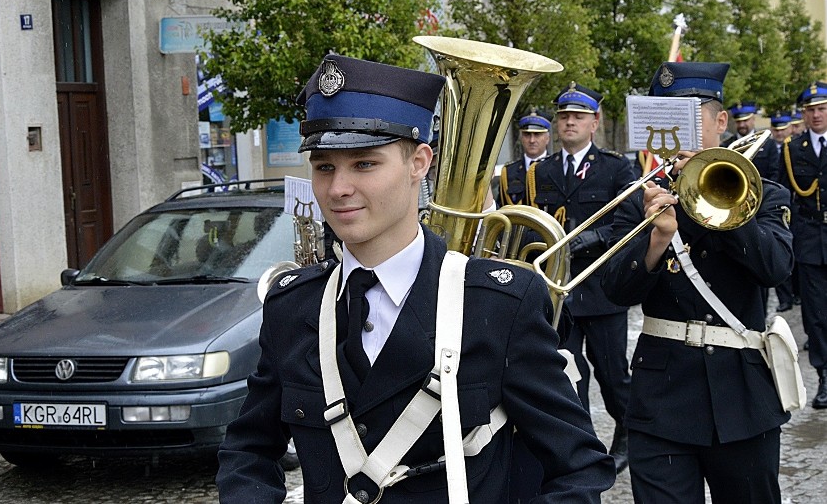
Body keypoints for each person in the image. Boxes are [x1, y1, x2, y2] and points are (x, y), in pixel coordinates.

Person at [215, 54, 616, 503]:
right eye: (324, 167)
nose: (338, 188)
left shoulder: (498, 304)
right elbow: (247, 452)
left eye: (364, 164)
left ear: (419, 162)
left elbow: (578, 466)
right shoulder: (293, 306)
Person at [601, 61, 794, 503]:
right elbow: (613, 290)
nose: (678, 134)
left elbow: (776, 267)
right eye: (667, 121)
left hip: (742, 398)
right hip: (660, 400)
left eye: (689, 119)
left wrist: (722, 207)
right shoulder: (642, 199)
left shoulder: (763, 193)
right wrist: (657, 238)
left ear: (720, 122)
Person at [526, 81, 635, 474]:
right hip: (559, 292)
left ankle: (627, 434)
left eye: (578, 116)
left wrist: (587, 238)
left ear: (595, 122)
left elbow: (627, 222)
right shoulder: (542, 170)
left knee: (612, 374)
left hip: (603, 288)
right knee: (569, 375)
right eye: (564, 116)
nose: (569, 122)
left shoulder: (616, 167)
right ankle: (584, 445)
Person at [778, 80, 827, 409]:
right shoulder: (793, 149)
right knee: (816, 313)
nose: (816, 115)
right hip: (810, 239)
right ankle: (824, 376)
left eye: (822, 109)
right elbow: (783, 196)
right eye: (810, 110)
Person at [768, 111, 796, 313]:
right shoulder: (768, 145)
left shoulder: (793, 146)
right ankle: (785, 297)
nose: (779, 133)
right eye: (776, 129)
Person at [498, 111, 551, 206]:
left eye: (537, 134)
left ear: (547, 138)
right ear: (521, 138)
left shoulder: (557, 168)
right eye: (527, 135)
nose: (532, 140)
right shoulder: (509, 173)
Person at [724, 101, 779, 180]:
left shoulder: (768, 144)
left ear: (753, 119)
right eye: (738, 121)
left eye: (745, 120)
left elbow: (774, 173)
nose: (741, 125)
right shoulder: (726, 145)